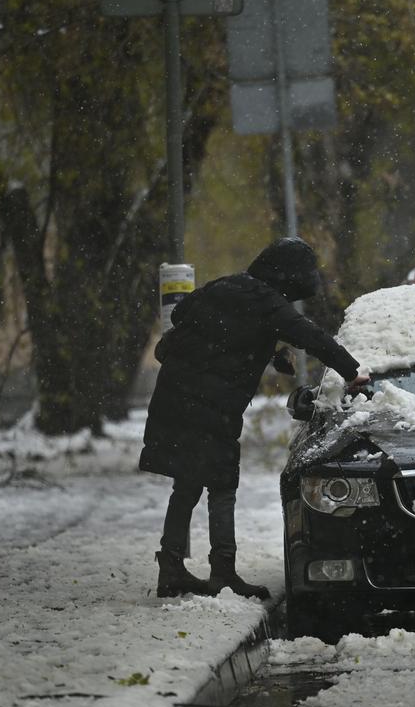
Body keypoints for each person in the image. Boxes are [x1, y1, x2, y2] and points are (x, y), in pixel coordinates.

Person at [141, 238, 370, 599]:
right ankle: (223, 571)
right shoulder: (267, 303)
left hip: (175, 396)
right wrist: (352, 372)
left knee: (186, 483)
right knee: (221, 485)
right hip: (210, 405)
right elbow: (312, 337)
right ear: (289, 276)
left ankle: (170, 567)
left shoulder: (224, 286)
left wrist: (266, 346)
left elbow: (196, 323)